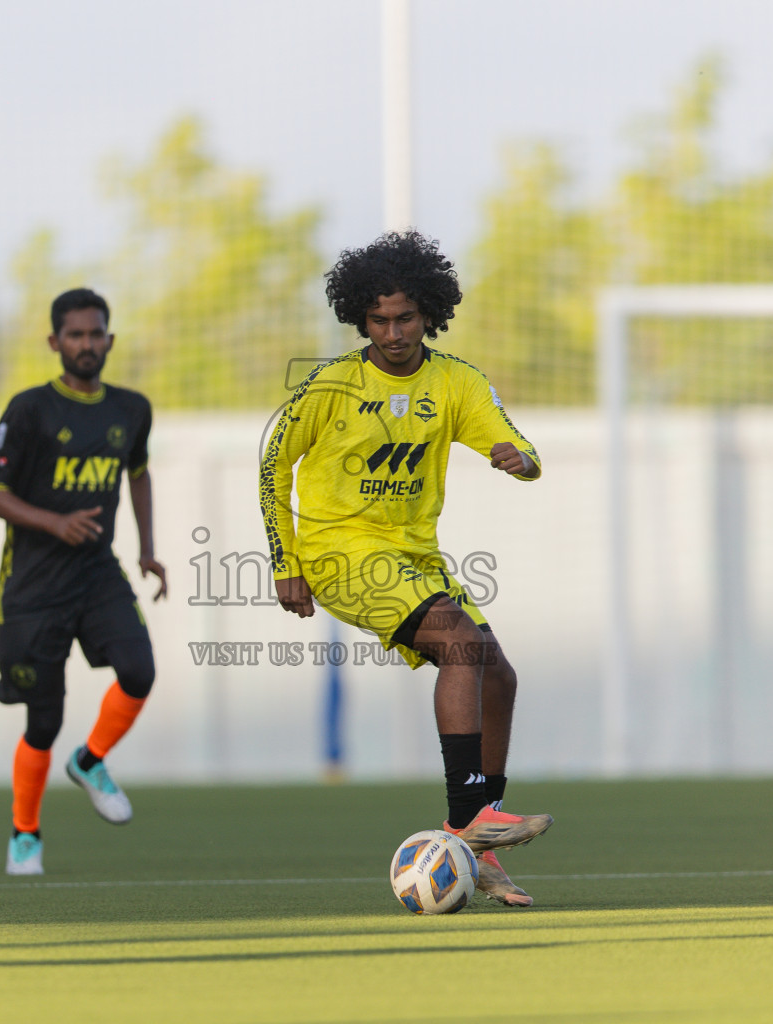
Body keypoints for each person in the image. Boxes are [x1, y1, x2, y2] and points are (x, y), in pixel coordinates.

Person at [260, 230, 553, 907]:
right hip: (338, 552)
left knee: (498, 674)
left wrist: (520, 460)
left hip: (415, 557)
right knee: (460, 645)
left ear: (430, 313)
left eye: (405, 318)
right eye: (379, 320)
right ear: (360, 318)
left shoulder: (457, 381)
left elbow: (518, 443)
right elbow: (275, 463)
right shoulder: (330, 384)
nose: (393, 332)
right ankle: (472, 814)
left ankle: (473, 837)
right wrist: (285, 561)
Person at [0, 287, 168, 876]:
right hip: (33, 587)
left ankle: (91, 761)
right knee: (44, 720)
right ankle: (26, 834)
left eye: (96, 334)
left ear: (110, 340)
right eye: (76, 335)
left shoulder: (131, 409)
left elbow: (137, 473)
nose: (87, 344)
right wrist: (54, 522)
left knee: (140, 670)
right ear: (55, 342)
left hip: (97, 572)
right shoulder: (30, 409)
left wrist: (147, 549)